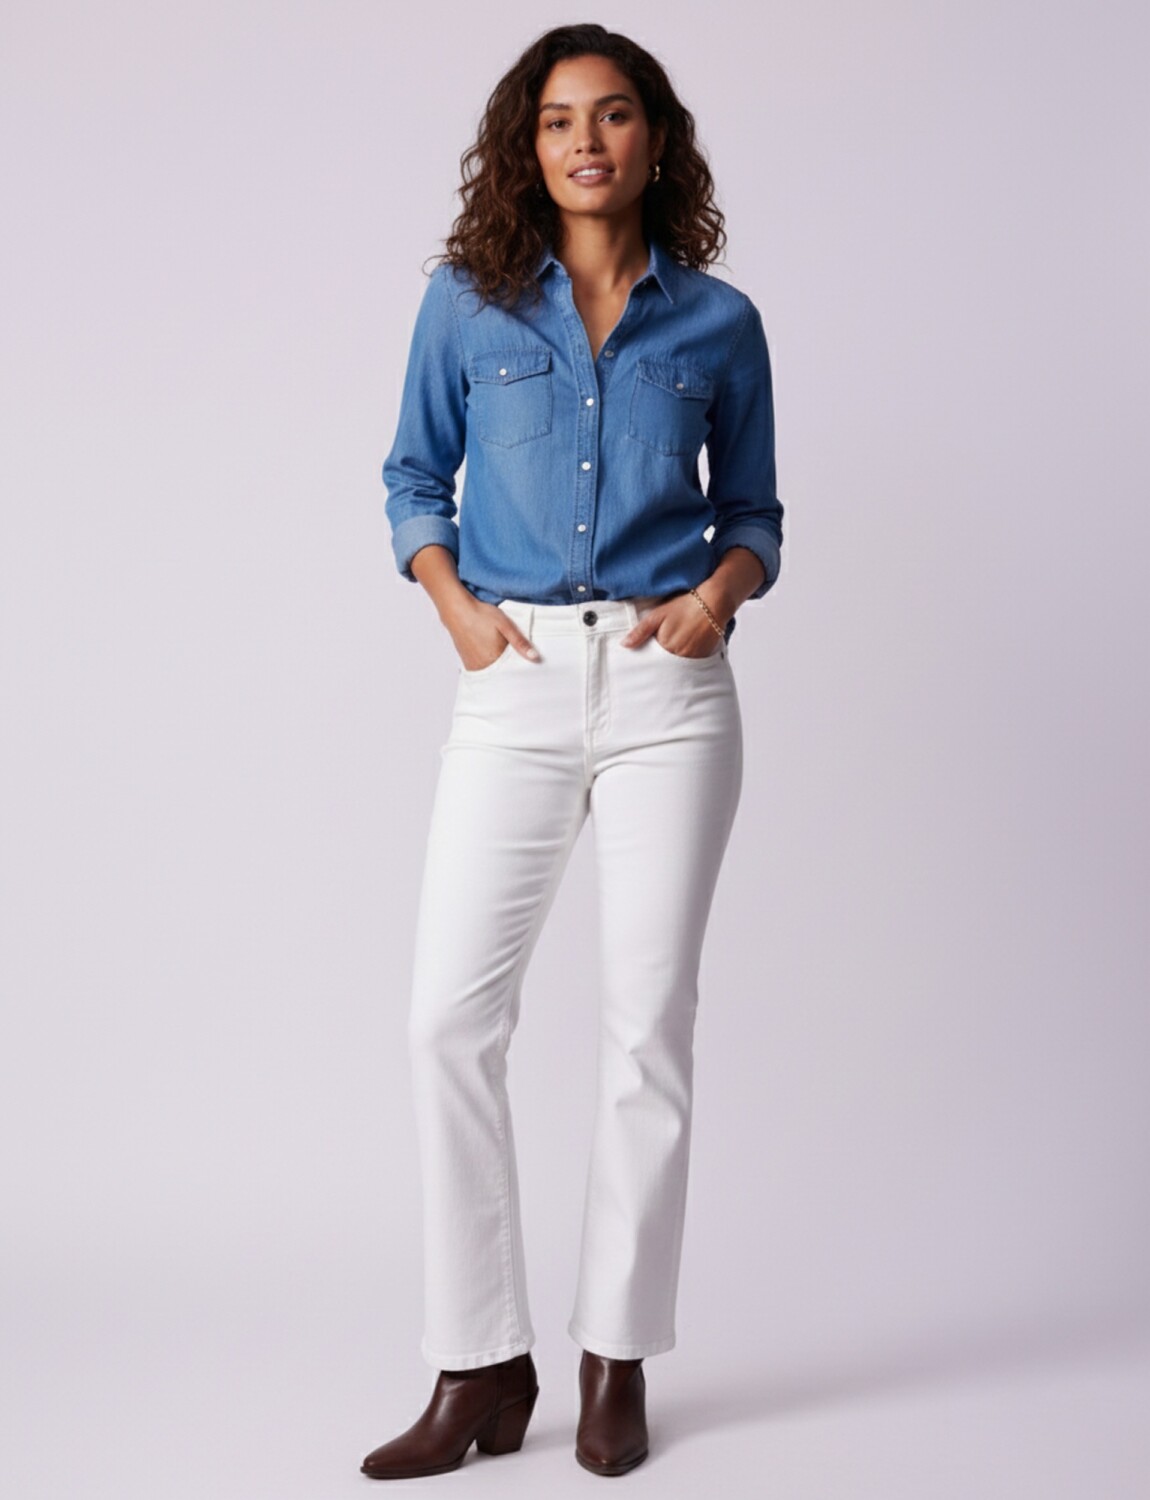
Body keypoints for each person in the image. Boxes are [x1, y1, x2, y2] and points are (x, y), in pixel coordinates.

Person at [360, 22, 784, 1481]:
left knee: (643, 1028)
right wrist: (456, 612)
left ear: (654, 139)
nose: (585, 141)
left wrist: (717, 600)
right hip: (518, 682)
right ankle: (479, 1359)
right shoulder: (466, 306)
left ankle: (616, 1358)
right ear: (524, 147)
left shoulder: (718, 323)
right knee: (447, 1022)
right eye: (556, 120)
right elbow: (412, 474)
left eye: (611, 116)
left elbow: (756, 515)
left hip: (672, 695)